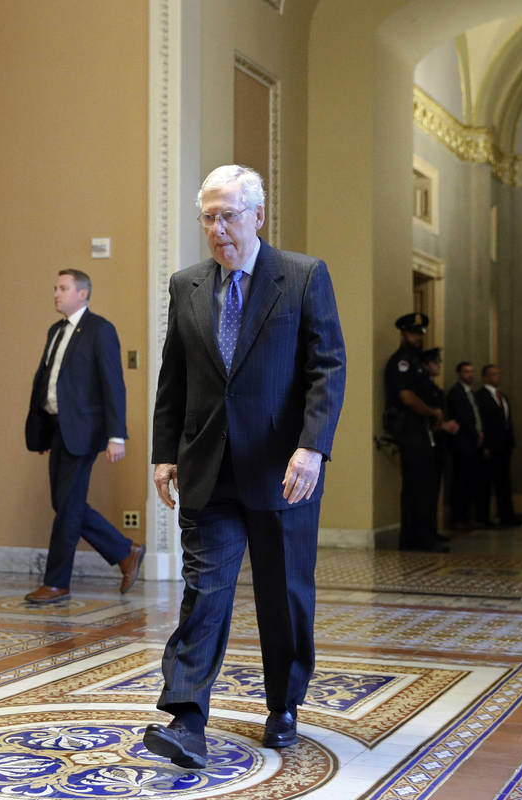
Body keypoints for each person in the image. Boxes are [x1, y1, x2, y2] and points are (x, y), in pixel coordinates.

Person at [146, 165, 346, 769]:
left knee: (283, 596)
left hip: (283, 469)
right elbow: (173, 377)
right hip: (209, 466)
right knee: (204, 594)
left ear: (258, 215)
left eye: (228, 214)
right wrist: (163, 453)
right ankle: (186, 720)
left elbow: (326, 368)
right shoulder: (187, 285)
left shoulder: (303, 276)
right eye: (208, 216)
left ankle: (284, 704)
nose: (217, 227)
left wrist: (311, 446)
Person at [22, 270, 144, 604]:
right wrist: (43, 432)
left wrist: (116, 435)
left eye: (63, 288)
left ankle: (57, 582)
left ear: (83, 293)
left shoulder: (100, 330)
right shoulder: (56, 330)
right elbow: (48, 381)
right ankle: (125, 550)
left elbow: (113, 384)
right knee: (64, 504)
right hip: (58, 428)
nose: (56, 294)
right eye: (55, 288)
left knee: (68, 507)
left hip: (84, 431)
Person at [383, 316, 453, 552]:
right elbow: (407, 397)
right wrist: (432, 412)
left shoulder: (415, 362)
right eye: (414, 333)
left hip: (422, 431)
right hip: (410, 431)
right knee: (417, 487)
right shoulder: (402, 362)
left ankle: (427, 533)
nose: (418, 337)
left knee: (427, 486)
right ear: (403, 334)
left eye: (420, 333)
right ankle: (417, 539)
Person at [475, 364, 522, 527]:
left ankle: (506, 515)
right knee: (486, 484)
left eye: (498, 374)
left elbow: (507, 423)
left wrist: (511, 443)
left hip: (504, 447)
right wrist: (485, 446)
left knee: (504, 483)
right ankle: (483, 517)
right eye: (493, 374)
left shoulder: (502, 397)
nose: (497, 377)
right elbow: (482, 422)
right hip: (489, 446)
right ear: (485, 377)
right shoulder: (480, 397)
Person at [446, 361, 486, 529]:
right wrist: (474, 433)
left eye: (472, 371)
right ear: (459, 374)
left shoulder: (472, 393)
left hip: (473, 444)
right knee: (461, 482)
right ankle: (458, 518)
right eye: (466, 372)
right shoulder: (456, 392)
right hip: (462, 443)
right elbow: (462, 417)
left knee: (471, 482)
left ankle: (468, 517)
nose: (470, 375)